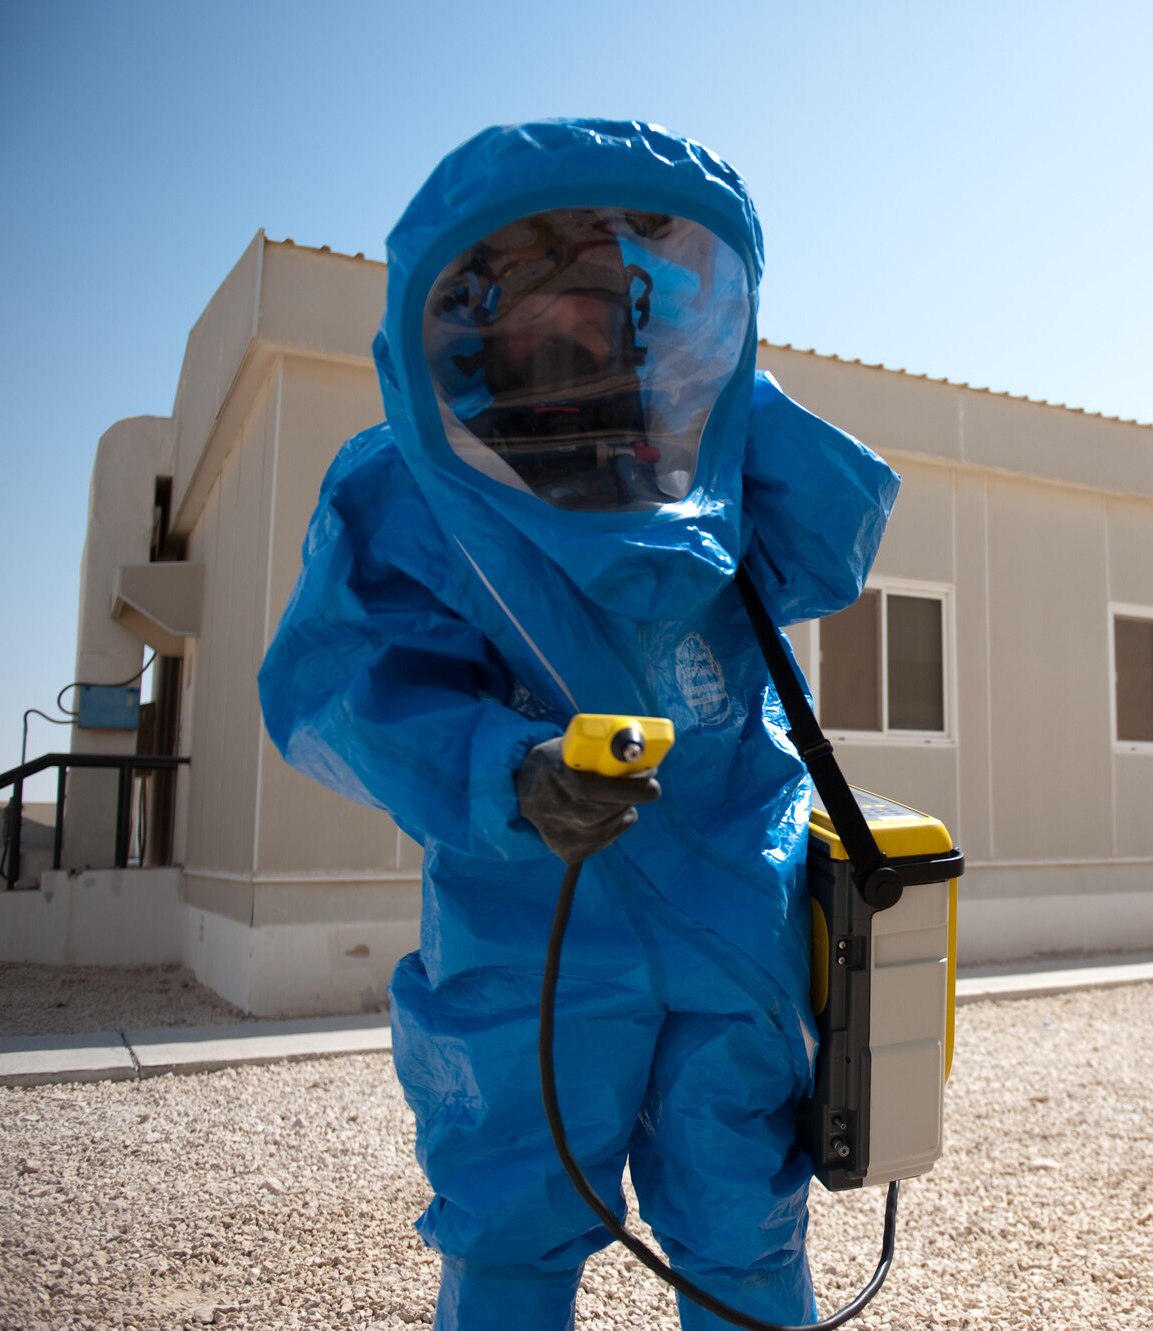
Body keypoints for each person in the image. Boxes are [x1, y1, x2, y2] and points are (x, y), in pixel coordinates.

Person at [259, 120, 900, 1331]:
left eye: (604, 282)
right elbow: (335, 687)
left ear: (653, 307)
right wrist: (512, 771)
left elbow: (836, 536)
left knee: (743, 1228)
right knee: (509, 1228)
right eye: (539, 277)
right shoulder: (406, 487)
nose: (572, 312)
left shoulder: (704, 465)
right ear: (469, 306)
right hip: (533, 920)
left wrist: (718, 384)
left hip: (730, 906)